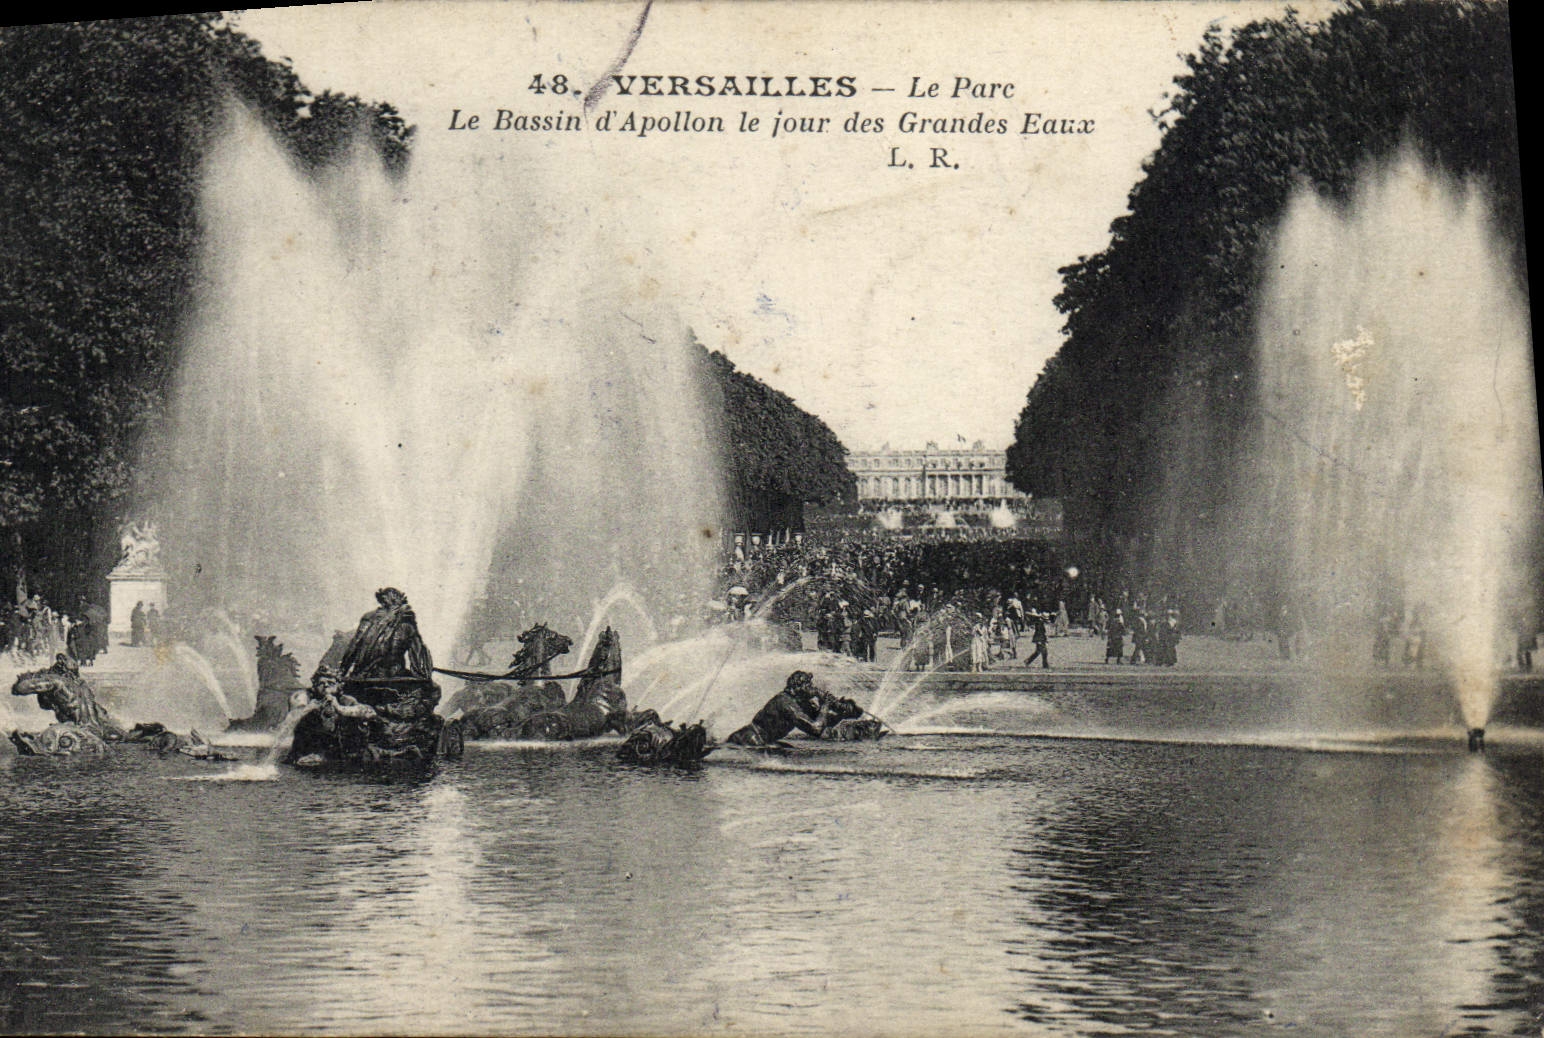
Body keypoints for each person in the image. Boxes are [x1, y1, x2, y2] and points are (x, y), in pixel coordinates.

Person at [726, 671, 830, 746]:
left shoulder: (799, 702)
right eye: (808, 686)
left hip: (761, 740)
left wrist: (830, 706)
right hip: (748, 739)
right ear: (797, 687)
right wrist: (825, 705)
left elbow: (824, 722)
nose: (812, 689)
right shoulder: (786, 703)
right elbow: (816, 729)